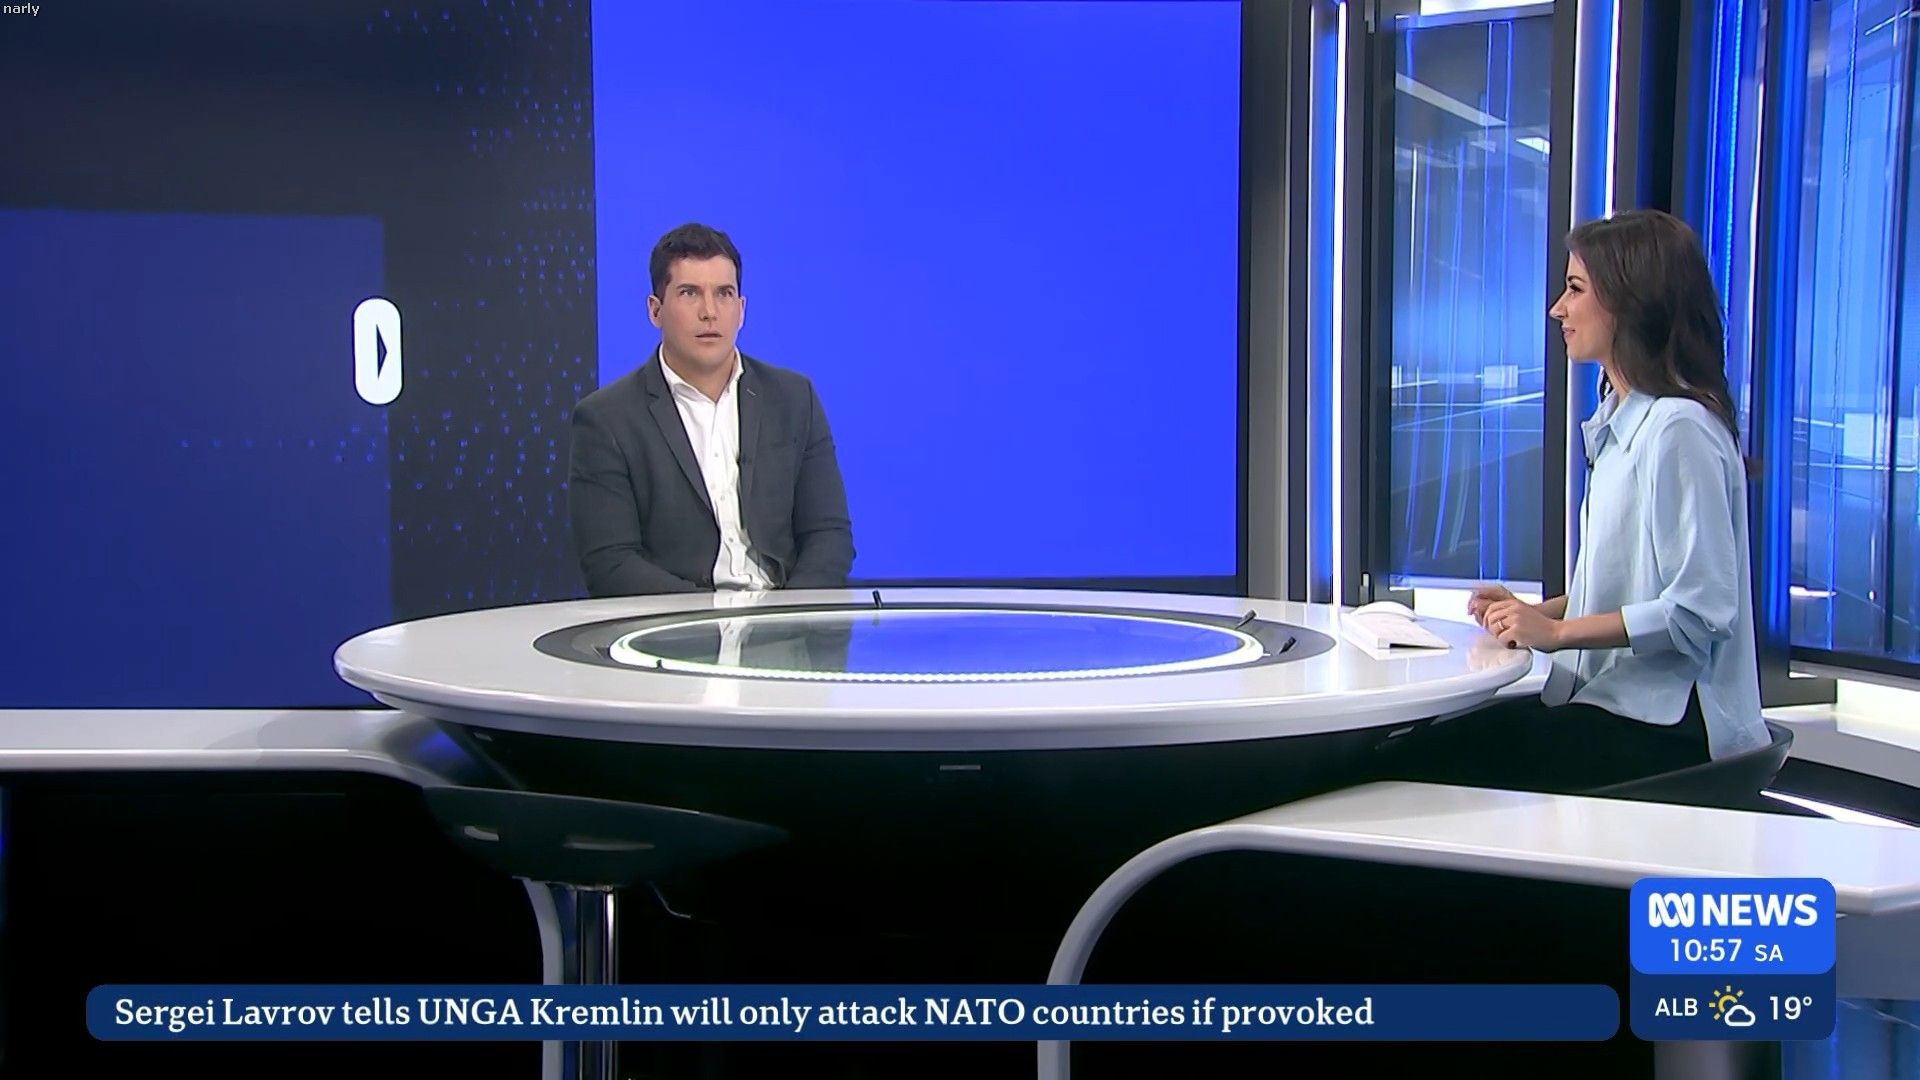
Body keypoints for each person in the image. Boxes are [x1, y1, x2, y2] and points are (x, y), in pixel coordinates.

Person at [1394, 209, 1770, 792]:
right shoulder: (1621, 423)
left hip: (1668, 724)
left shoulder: (1679, 429)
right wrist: (1536, 614)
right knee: (1420, 742)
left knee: (1418, 766)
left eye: (1574, 289)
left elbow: (1700, 612)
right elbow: (1634, 588)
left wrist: (1557, 636)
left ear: (1629, 301)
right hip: (1614, 705)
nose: (1557, 309)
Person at [567, 223, 854, 595]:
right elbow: (611, 564)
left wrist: (789, 616)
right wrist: (708, 617)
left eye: (724, 294)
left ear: (741, 309)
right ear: (655, 310)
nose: (710, 312)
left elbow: (829, 536)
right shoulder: (606, 419)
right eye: (689, 293)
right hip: (677, 622)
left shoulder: (795, 399)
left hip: (784, 619)